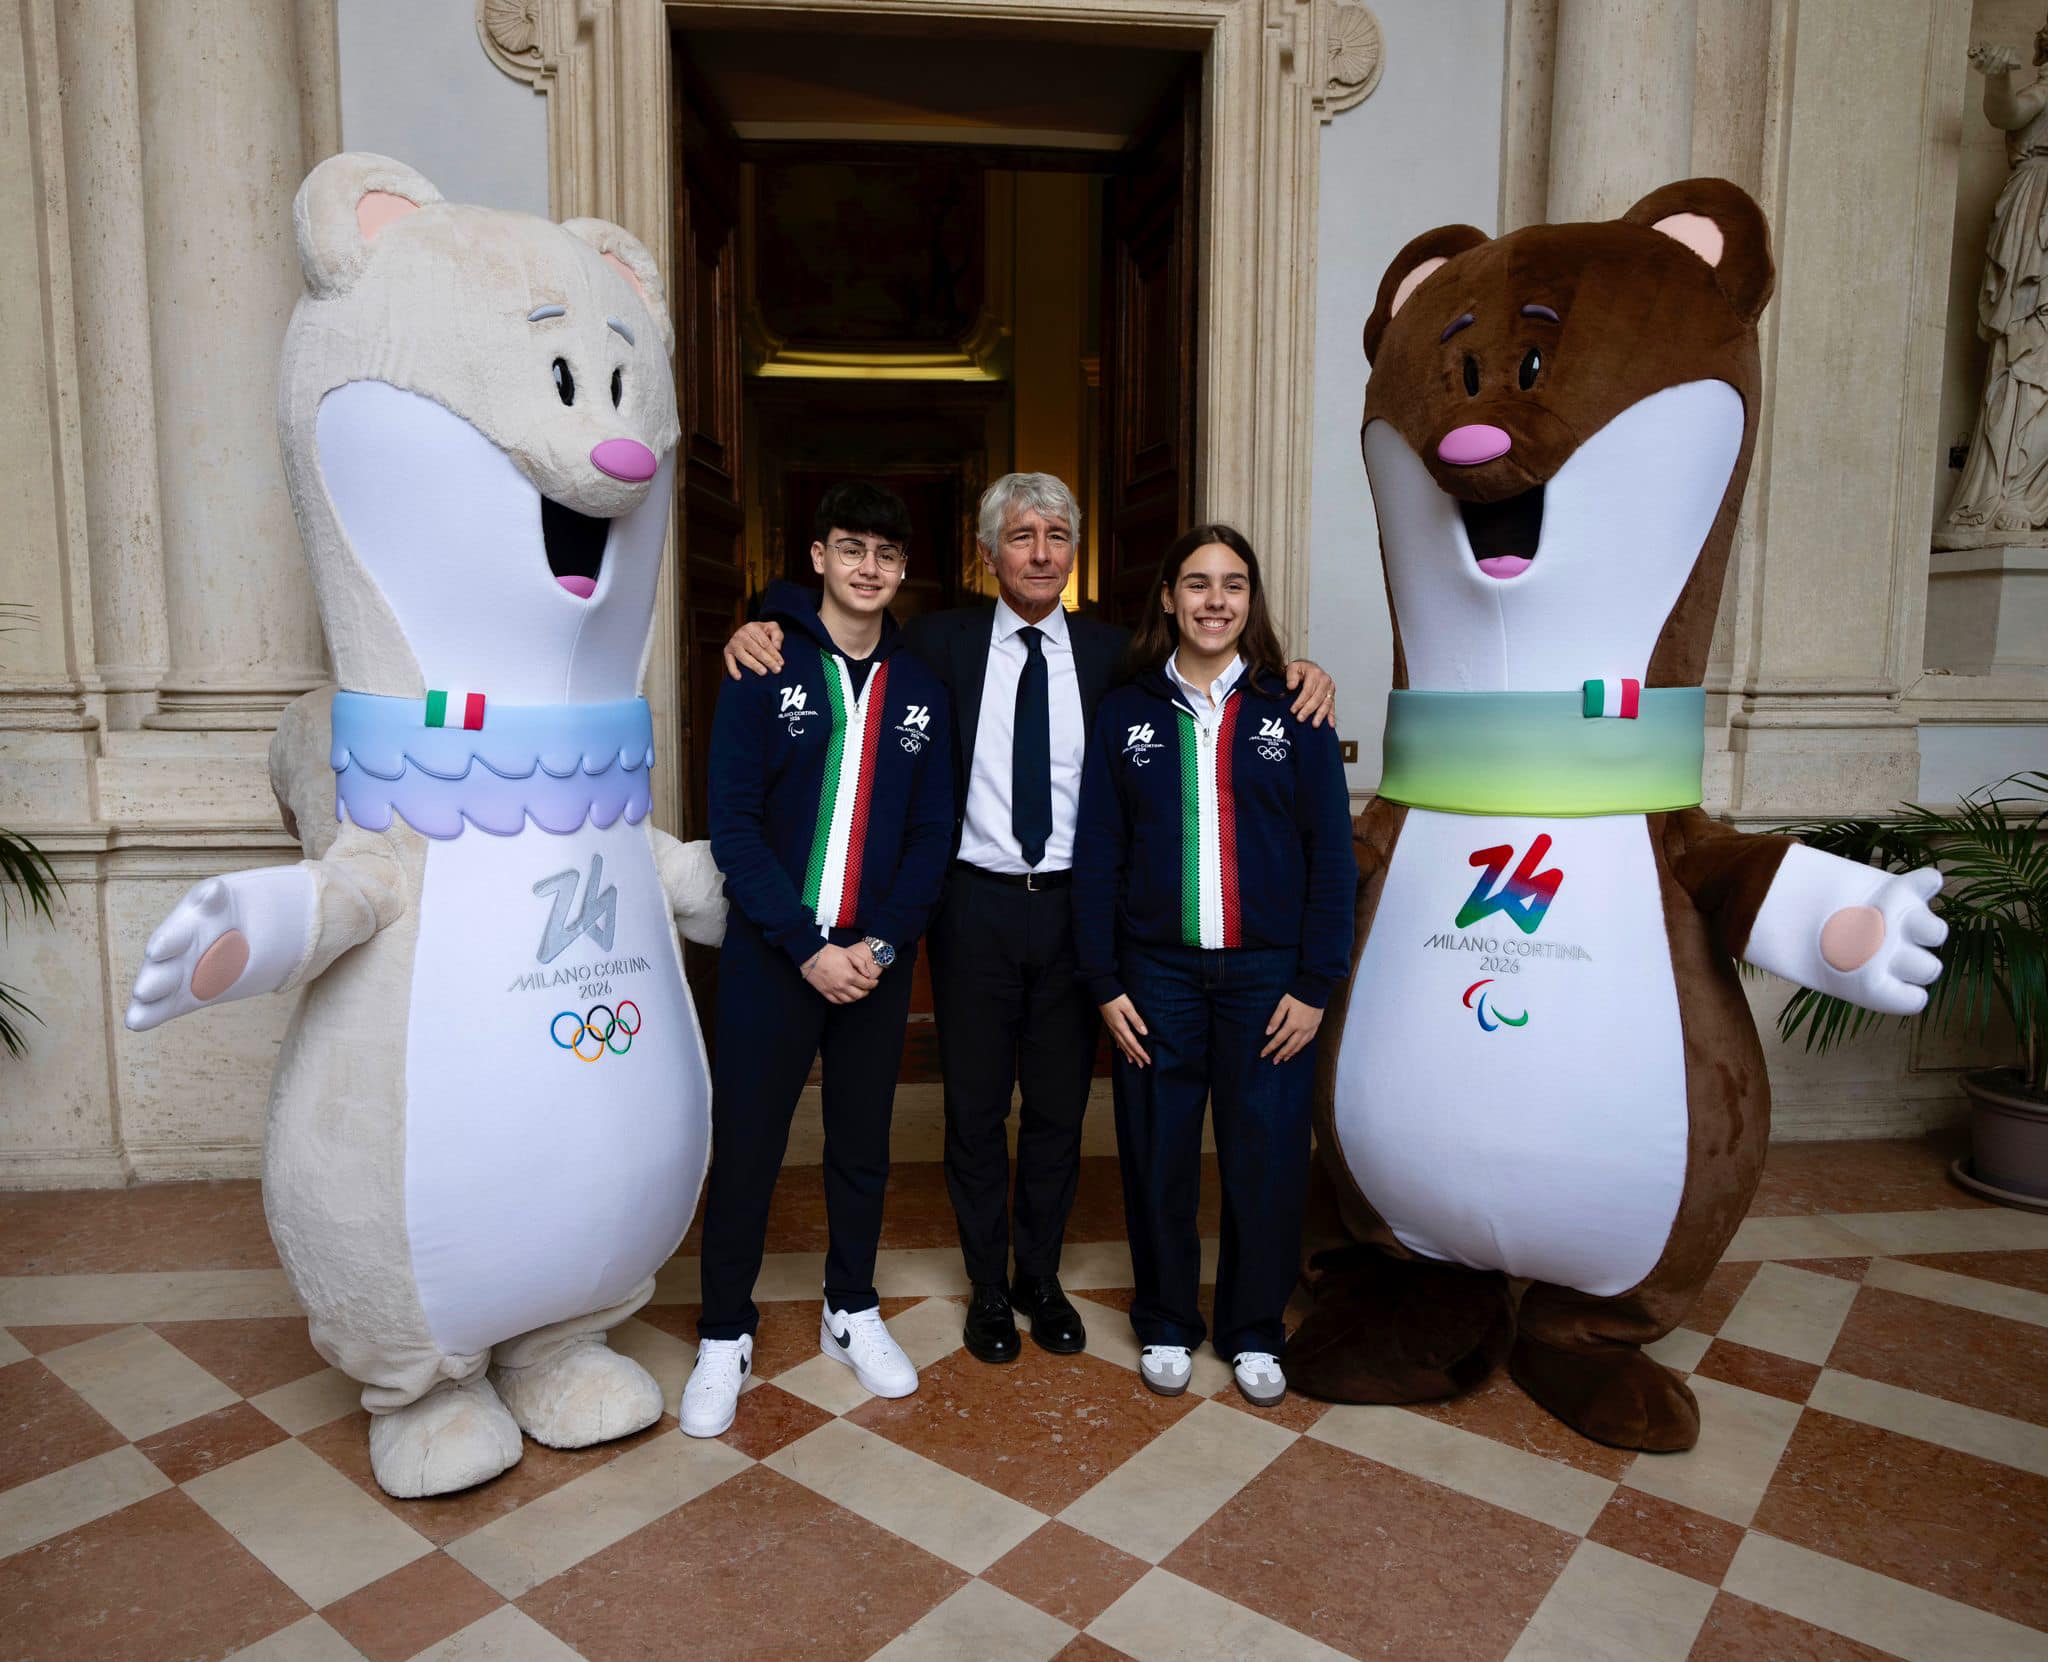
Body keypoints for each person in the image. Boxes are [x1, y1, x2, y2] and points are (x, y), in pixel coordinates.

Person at [723, 475, 1336, 1365]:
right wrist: (765, 618)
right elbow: (845, 610)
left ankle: (1038, 1279)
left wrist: (1304, 672)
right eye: (1021, 535)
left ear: (1074, 552)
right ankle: (984, 1290)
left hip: (1076, 915)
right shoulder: (939, 642)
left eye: (1057, 535)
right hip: (971, 906)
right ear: (988, 554)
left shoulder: (1112, 654)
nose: (1041, 552)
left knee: (1058, 1111)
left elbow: (1215, 664)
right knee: (974, 1110)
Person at [681, 481, 952, 1439]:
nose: (867, 567)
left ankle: (852, 1309)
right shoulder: (766, 667)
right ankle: (724, 1332)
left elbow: (931, 835)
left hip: (874, 967)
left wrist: (876, 946)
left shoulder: (922, 687)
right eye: (850, 548)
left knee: (862, 1149)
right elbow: (734, 827)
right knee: (749, 1146)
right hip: (774, 959)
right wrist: (806, 946)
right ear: (819, 559)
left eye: (884, 552)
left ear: (903, 569)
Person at [1071, 524, 1356, 1408]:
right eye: (1196, 583)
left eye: (1233, 584)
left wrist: (1315, 986)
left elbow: (1330, 858)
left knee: (1266, 1157)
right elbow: (1097, 855)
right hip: (1155, 976)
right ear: (1168, 598)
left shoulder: (1293, 710)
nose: (1215, 600)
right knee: (1156, 1152)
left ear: (1251, 600)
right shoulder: (1124, 713)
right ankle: (1164, 1320)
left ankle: (1253, 1330)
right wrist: (1105, 980)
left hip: (1269, 980)